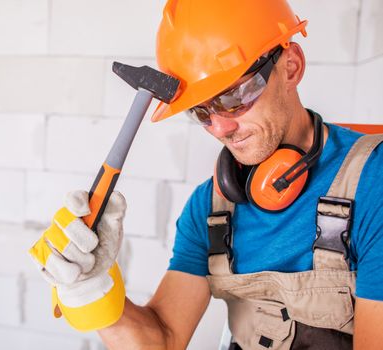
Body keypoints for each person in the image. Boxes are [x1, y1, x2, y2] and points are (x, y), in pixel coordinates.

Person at [29, 0, 383, 349]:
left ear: (290, 67)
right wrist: (93, 291)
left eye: (233, 98)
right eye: (202, 111)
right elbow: (162, 341)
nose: (220, 128)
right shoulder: (210, 209)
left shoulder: (373, 181)